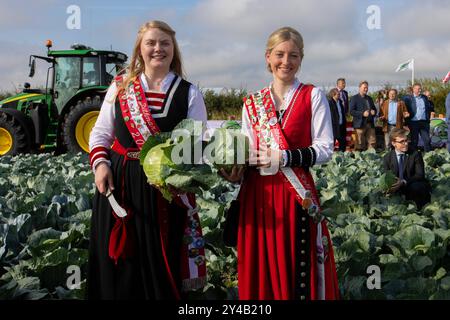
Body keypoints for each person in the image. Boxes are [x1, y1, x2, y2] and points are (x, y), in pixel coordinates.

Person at [87, 20, 208, 299]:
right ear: (139, 49)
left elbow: (197, 145)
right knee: (121, 262)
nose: (158, 49)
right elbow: (100, 134)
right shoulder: (120, 86)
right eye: (150, 43)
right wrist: (101, 165)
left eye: (165, 43)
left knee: (160, 262)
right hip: (120, 186)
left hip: (164, 192)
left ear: (173, 49)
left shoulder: (188, 92)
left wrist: (177, 171)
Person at [222, 26, 339, 300]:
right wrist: (235, 171)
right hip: (258, 196)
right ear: (268, 57)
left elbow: (324, 149)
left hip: (296, 195)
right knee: (262, 266)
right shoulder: (252, 103)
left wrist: (284, 157)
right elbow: (249, 149)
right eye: (280, 54)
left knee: (297, 265)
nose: (286, 61)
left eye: (293, 55)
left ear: (301, 59)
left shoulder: (313, 96)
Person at [383, 128, 431, 209]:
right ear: (394, 143)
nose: (405, 144)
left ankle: (418, 209)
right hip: (396, 186)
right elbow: (386, 175)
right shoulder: (387, 157)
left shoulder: (415, 154)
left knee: (417, 187)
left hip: (411, 184)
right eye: (402, 141)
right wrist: (390, 186)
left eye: (406, 140)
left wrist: (403, 182)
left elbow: (420, 175)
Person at [403, 83, 433, 152]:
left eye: (420, 88)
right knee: (414, 141)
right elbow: (404, 109)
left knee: (427, 140)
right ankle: (414, 157)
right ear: (413, 89)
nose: (420, 90)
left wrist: (428, 117)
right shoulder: (407, 98)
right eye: (418, 88)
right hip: (414, 122)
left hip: (424, 122)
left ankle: (428, 156)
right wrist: (405, 117)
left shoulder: (424, 97)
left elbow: (428, 108)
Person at [349, 81, 377, 151]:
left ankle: (371, 160)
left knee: (372, 144)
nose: (366, 89)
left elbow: (374, 109)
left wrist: (374, 112)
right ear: (360, 88)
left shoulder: (369, 98)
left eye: (367, 88)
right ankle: (360, 161)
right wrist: (362, 114)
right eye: (364, 87)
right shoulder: (354, 98)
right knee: (360, 145)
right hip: (359, 125)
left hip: (370, 124)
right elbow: (351, 111)